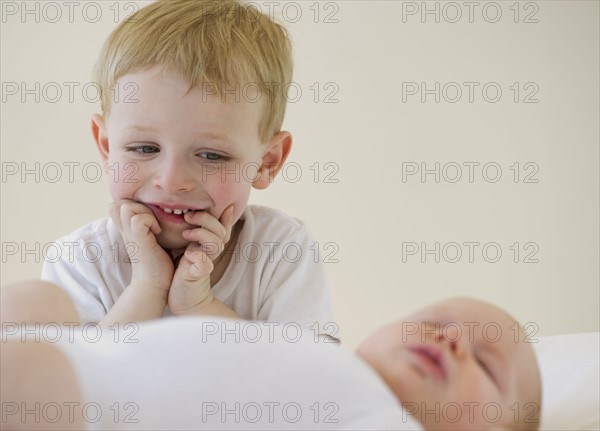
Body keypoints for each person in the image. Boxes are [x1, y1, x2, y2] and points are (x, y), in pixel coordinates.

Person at [37, 0, 334, 332]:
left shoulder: (280, 249)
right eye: (144, 148)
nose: (171, 181)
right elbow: (77, 380)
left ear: (267, 162)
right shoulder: (81, 259)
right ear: (107, 147)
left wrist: (197, 304)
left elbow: (307, 376)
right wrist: (148, 287)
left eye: (211, 156)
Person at [1, 282, 541, 430]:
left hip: (85, 401)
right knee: (40, 300)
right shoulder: (325, 358)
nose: (451, 339)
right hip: (86, 358)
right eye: (437, 319)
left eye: (486, 363)